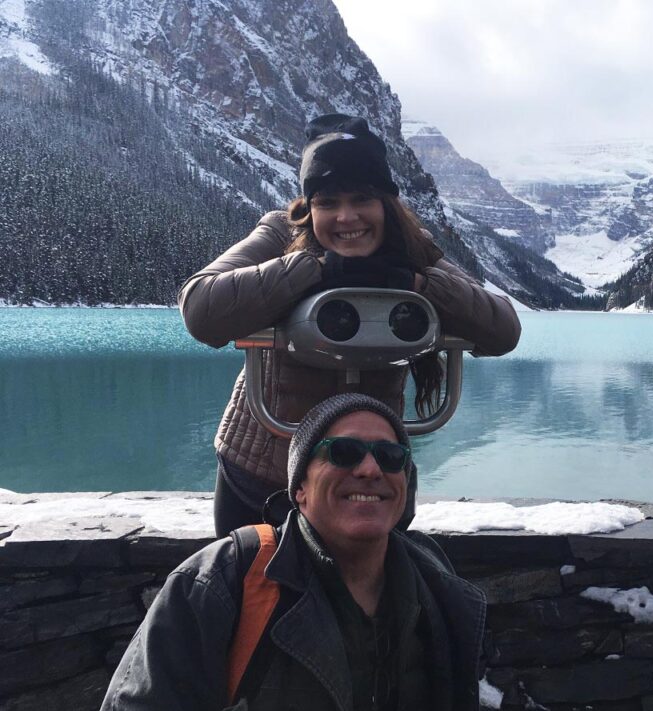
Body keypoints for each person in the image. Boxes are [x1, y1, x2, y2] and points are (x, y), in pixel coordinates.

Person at [86, 393, 487, 711]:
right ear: (300, 488)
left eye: (390, 456)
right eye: (344, 453)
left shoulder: (435, 586)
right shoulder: (219, 584)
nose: (370, 469)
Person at [179, 114, 521, 536]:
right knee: (253, 594)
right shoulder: (280, 235)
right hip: (263, 475)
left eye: (361, 199)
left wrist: (418, 283)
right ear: (309, 207)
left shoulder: (414, 249)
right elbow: (201, 309)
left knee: (366, 598)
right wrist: (314, 269)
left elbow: (503, 329)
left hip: (370, 475)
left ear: (385, 204)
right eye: (327, 203)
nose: (346, 217)